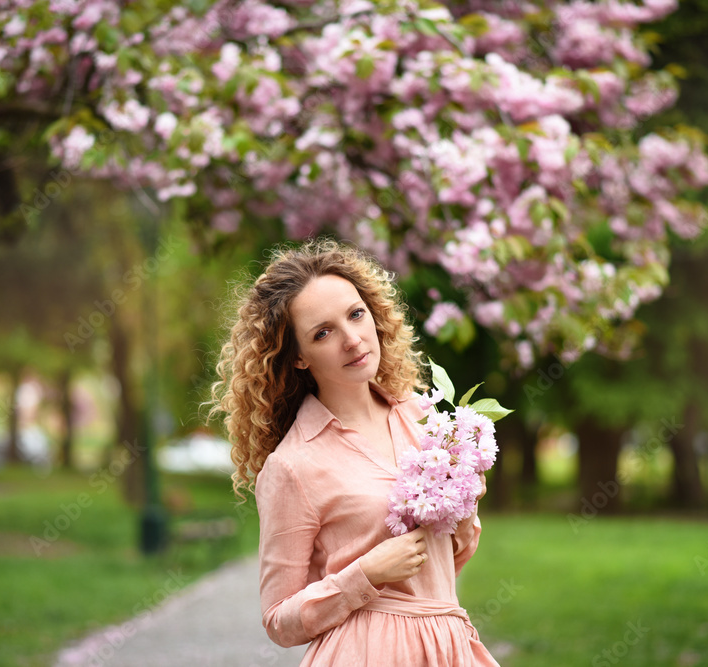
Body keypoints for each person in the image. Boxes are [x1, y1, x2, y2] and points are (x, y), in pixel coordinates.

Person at [210, 239, 499, 665]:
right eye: (322, 333)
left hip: (447, 645)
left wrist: (465, 500)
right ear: (299, 358)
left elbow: (441, 564)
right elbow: (278, 619)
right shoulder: (292, 466)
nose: (351, 339)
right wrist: (364, 575)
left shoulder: (424, 422)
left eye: (355, 314)